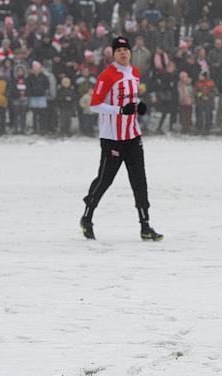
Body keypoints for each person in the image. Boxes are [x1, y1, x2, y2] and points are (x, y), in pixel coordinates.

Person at [80, 36, 163, 242]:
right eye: (119, 50)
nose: (123, 53)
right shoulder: (107, 75)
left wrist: (138, 105)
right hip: (112, 138)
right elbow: (94, 105)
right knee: (105, 180)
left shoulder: (135, 72)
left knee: (140, 181)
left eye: (126, 49)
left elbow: (131, 99)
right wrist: (119, 110)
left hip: (133, 135)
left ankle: (145, 226)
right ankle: (87, 217)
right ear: (113, 54)